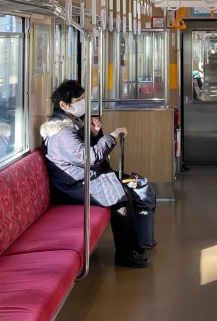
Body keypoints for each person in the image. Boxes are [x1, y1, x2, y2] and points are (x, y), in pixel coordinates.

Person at [40, 80, 148, 269]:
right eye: (78, 100)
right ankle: (126, 253)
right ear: (63, 105)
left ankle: (133, 248)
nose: (83, 103)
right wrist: (111, 136)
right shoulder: (63, 133)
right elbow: (89, 157)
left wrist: (94, 134)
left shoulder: (68, 124)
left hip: (79, 178)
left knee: (124, 189)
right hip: (72, 186)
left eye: (83, 98)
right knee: (121, 198)